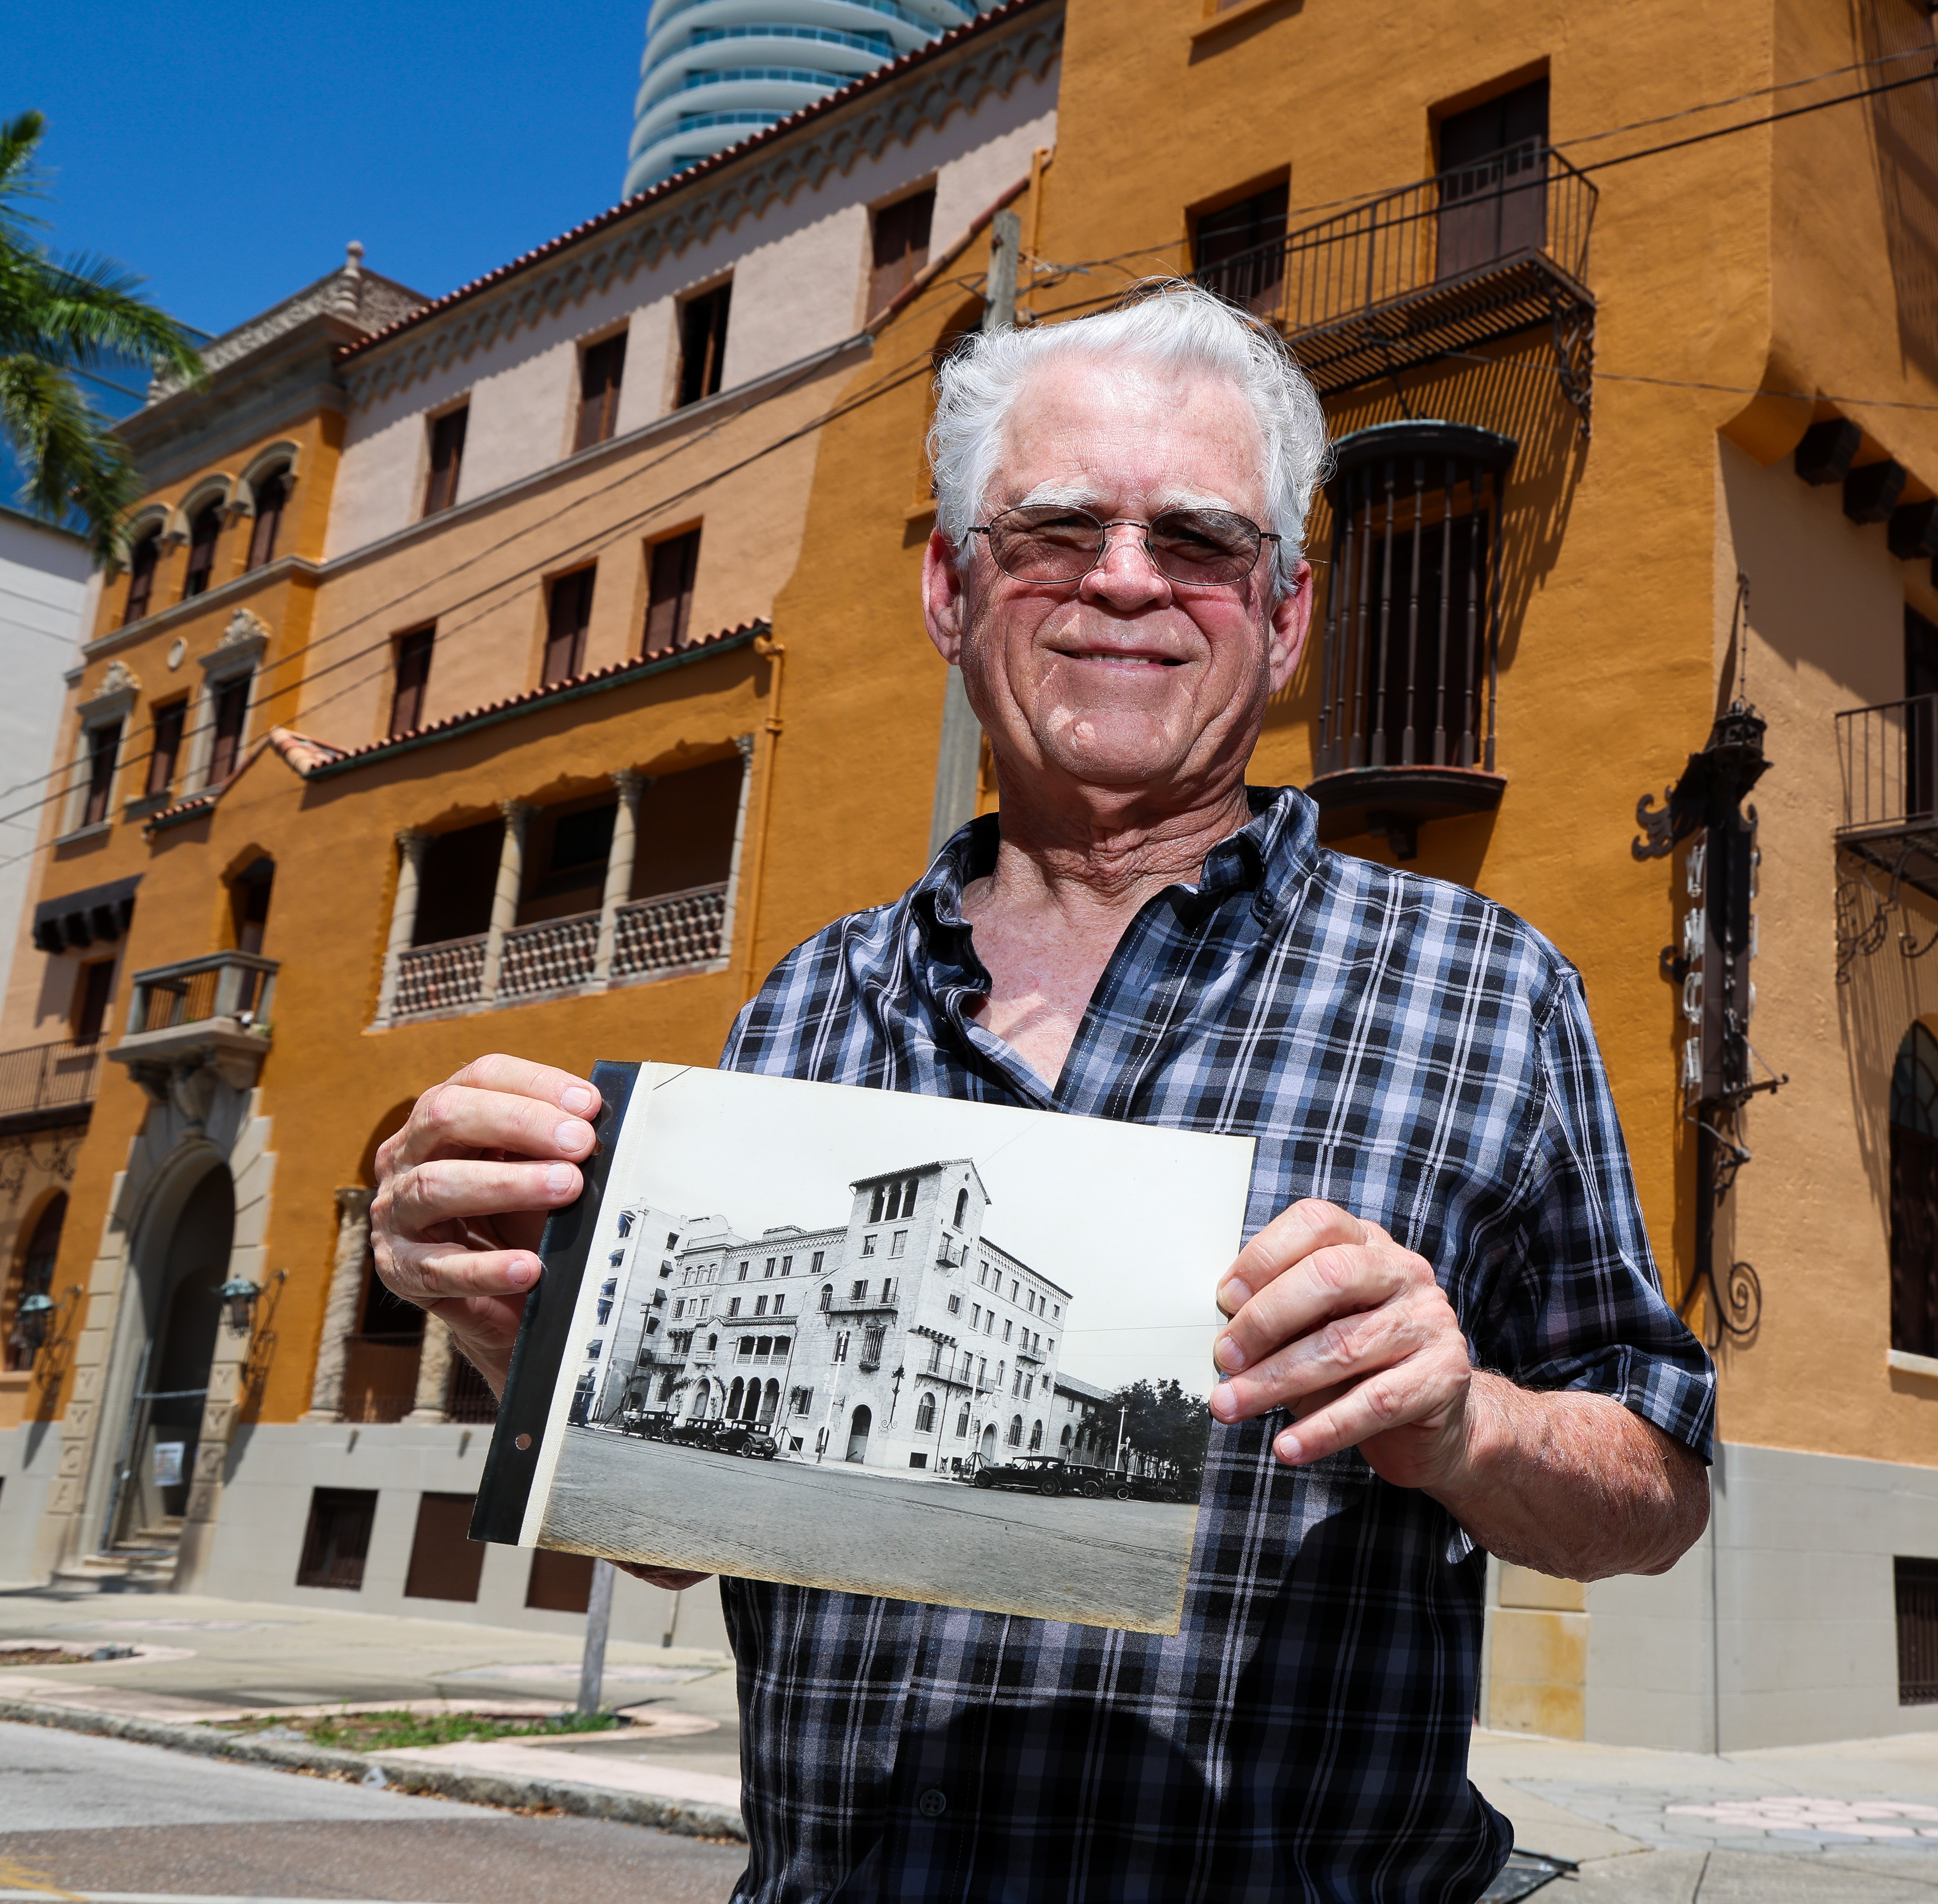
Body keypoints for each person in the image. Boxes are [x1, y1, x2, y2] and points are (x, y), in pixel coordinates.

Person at [367, 283, 1715, 1902]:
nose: (1126, 582)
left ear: (1286, 617)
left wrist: (1462, 1419)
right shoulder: (806, 1007)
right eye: (1055, 530)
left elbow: (1658, 1492)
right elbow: (682, 1531)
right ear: (951, 587)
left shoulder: (1489, 988)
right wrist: (517, 1321)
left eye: (1200, 543)